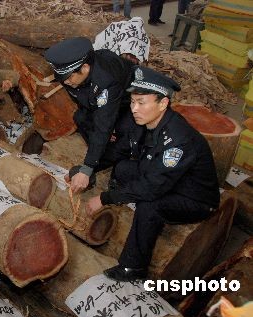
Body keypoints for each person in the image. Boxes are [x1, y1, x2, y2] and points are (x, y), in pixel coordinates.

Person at [84, 66, 220, 281]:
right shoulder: (143, 122)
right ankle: (127, 204)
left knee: (149, 206)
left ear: (163, 103)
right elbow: (117, 152)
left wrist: (104, 198)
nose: (134, 109)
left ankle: (133, 268)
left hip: (194, 198)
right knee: (122, 168)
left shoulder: (178, 139)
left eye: (141, 102)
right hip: (167, 178)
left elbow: (153, 187)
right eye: (132, 102)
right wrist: (86, 169)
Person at [44, 37, 141, 193]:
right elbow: (85, 102)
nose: (66, 83)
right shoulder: (70, 77)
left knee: (124, 139)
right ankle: (97, 157)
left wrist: (87, 167)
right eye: (63, 79)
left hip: (129, 103)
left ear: (85, 68)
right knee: (81, 119)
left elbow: (104, 123)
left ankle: (114, 170)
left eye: (68, 78)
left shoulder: (106, 79)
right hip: (100, 103)